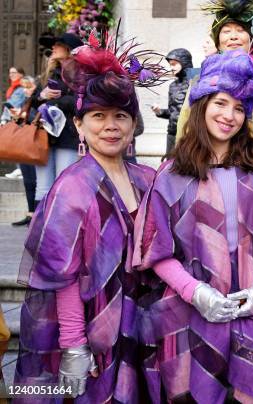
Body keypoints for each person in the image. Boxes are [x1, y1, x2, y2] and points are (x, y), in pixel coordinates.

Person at [133, 50, 253, 403]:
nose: (230, 116)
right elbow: (156, 248)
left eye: (240, 108)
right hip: (189, 308)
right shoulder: (171, 174)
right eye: (221, 103)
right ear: (201, 104)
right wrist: (195, 292)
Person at [14, 31, 164, 401]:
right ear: (79, 125)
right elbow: (60, 277)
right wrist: (74, 345)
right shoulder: (71, 189)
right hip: (94, 331)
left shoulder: (149, 180)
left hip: (144, 327)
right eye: (98, 116)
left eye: (120, 116)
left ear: (133, 126)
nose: (110, 125)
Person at [176, 0, 253, 160]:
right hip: (205, 168)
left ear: (252, 39)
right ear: (218, 41)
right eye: (226, 31)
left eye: (241, 30)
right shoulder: (200, 81)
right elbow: (185, 130)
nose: (233, 37)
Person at [31, 33, 83, 204]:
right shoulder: (50, 72)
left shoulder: (82, 75)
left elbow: (83, 103)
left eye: (57, 44)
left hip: (69, 137)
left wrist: (56, 101)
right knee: (43, 188)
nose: (52, 48)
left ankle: (62, 229)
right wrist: (42, 96)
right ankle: (42, 228)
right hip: (44, 137)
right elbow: (32, 101)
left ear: (69, 50)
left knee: (64, 186)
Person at [152, 48, 193, 156]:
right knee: (169, 167)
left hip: (188, 135)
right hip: (171, 133)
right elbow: (173, 112)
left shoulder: (195, 82)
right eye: (170, 64)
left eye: (174, 64)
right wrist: (159, 111)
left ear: (184, 62)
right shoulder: (173, 85)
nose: (171, 68)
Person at [11, 75, 39, 227]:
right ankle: (30, 213)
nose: (26, 90)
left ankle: (37, 213)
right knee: (28, 180)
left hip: (36, 145)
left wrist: (26, 116)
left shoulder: (37, 101)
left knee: (36, 181)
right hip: (24, 144)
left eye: (29, 86)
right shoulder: (25, 102)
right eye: (24, 87)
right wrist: (17, 116)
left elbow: (38, 118)